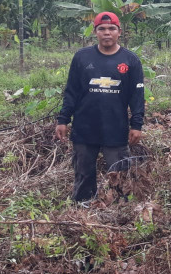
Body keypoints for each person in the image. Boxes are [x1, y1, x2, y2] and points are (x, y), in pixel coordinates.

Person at [55, 12, 145, 204]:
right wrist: (63, 119)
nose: (107, 33)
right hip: (84, 128)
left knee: (119, 174)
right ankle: (82, 209)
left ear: (119, 32)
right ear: (95, 32)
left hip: (115, 129)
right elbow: (71, 91)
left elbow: (137, 96)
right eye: (102, 29)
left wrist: (137, 125)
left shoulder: (130, 60)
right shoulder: (82, 57)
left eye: (111, 28)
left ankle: (120, 211)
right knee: (83, 174)